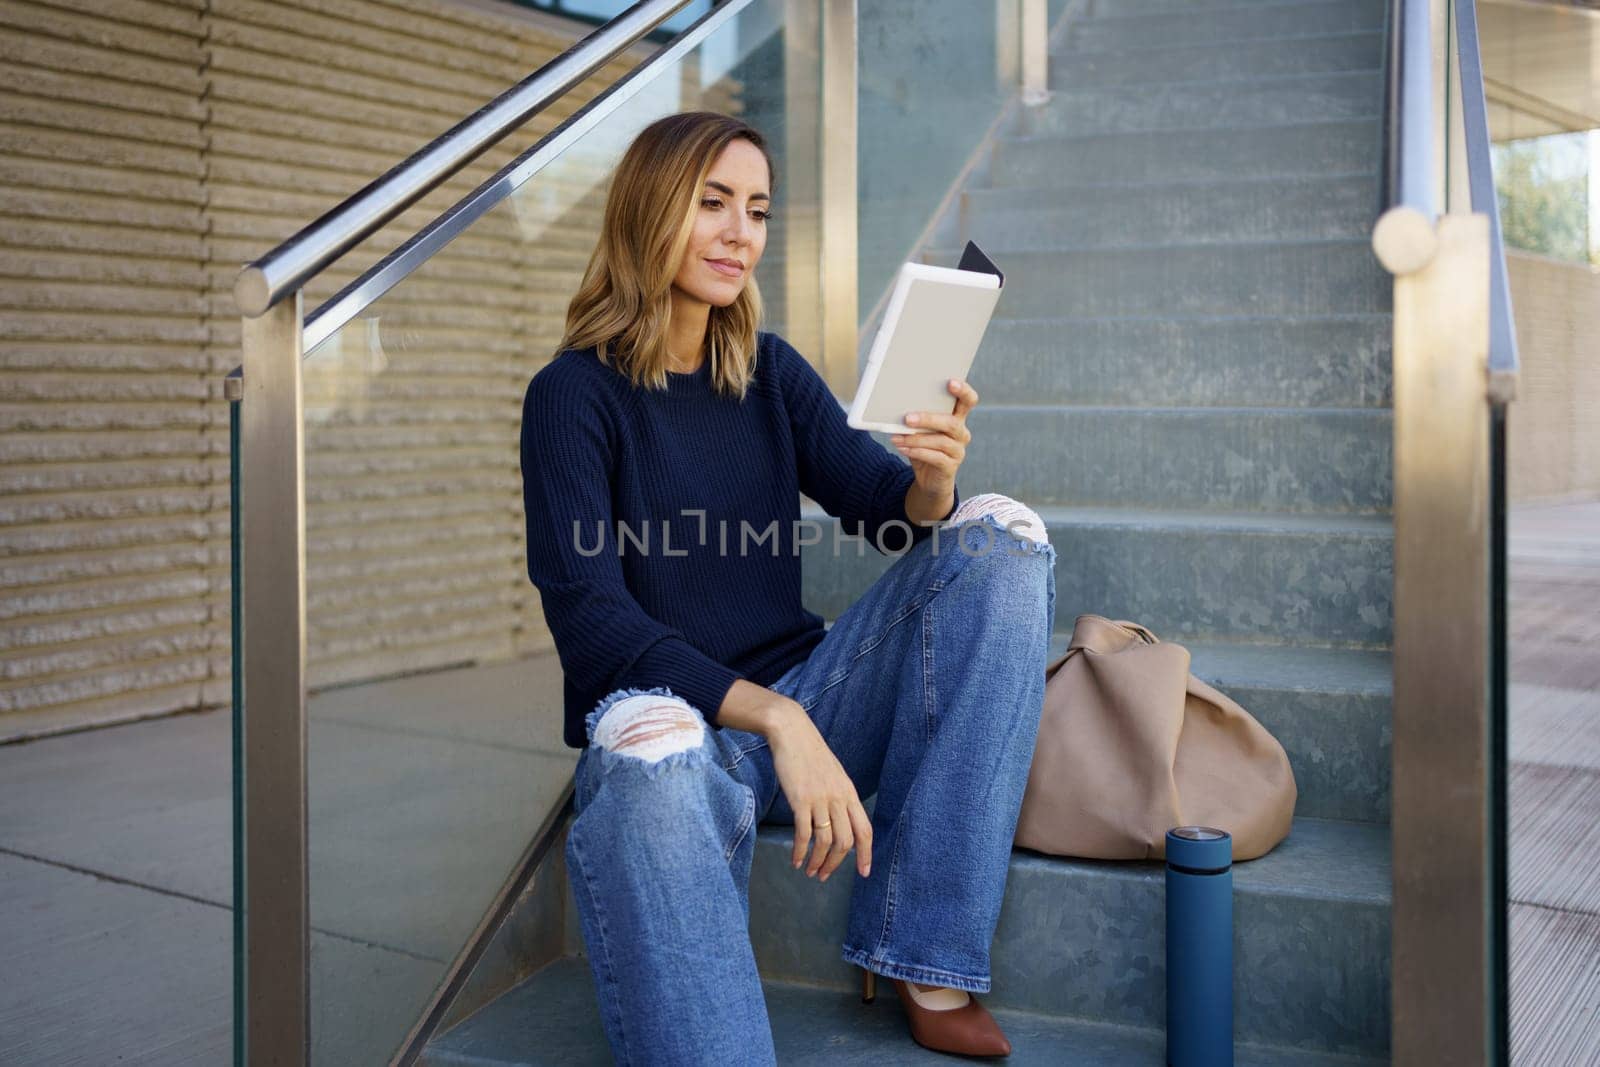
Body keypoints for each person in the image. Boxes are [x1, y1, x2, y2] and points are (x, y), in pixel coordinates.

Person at [519, 110, 1056, 1064]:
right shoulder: (572, 396)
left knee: (1000, 537)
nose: (740, 234)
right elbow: (592, 621)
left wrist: (931, 477)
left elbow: (885, 509)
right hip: (676, 729)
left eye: (758, 211)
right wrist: (775, 718)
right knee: (649, 742)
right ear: (650, 210)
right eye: (713, 203)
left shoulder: (766, 372)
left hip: (808, 701)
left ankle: (926, 950)